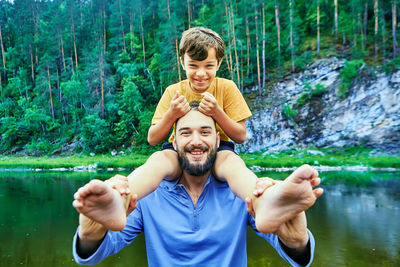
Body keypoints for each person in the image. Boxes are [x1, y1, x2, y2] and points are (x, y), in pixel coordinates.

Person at [77, 26, 291, 234]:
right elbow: (153, 138)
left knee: (234, 165)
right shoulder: (174, 91)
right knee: (158, 162)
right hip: (177, 148)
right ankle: (119, 200)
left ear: (219, 63)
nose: (200, 73)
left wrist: (218, 113)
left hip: (219, 148)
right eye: (193, 65)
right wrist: (171, 114)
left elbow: (240, 135)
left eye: (208, 65)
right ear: (182, 62)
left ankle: (262, 201)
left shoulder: (227, 88)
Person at [72, 102, 323, 266]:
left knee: (260, 198)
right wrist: (91, 234)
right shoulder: (148, 194)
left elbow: (292, 251)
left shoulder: (239, 191)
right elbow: (100, 250)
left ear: (217, 138)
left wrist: (297, 241)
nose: (196, 141)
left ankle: (268, 197)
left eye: (204, 132)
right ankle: (119, 197)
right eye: (185, 133)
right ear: (173, 140)